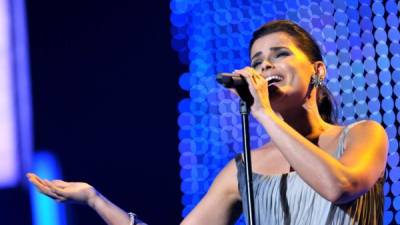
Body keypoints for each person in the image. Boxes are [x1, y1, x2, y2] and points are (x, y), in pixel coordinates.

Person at [28, 20, 388, 225]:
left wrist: (262, 112)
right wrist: (94, 199)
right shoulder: (244, 170)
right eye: (258, 61)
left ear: (318, 71)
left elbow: (340, 187)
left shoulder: (363, 135)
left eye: (280, 55)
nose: (265, 67)